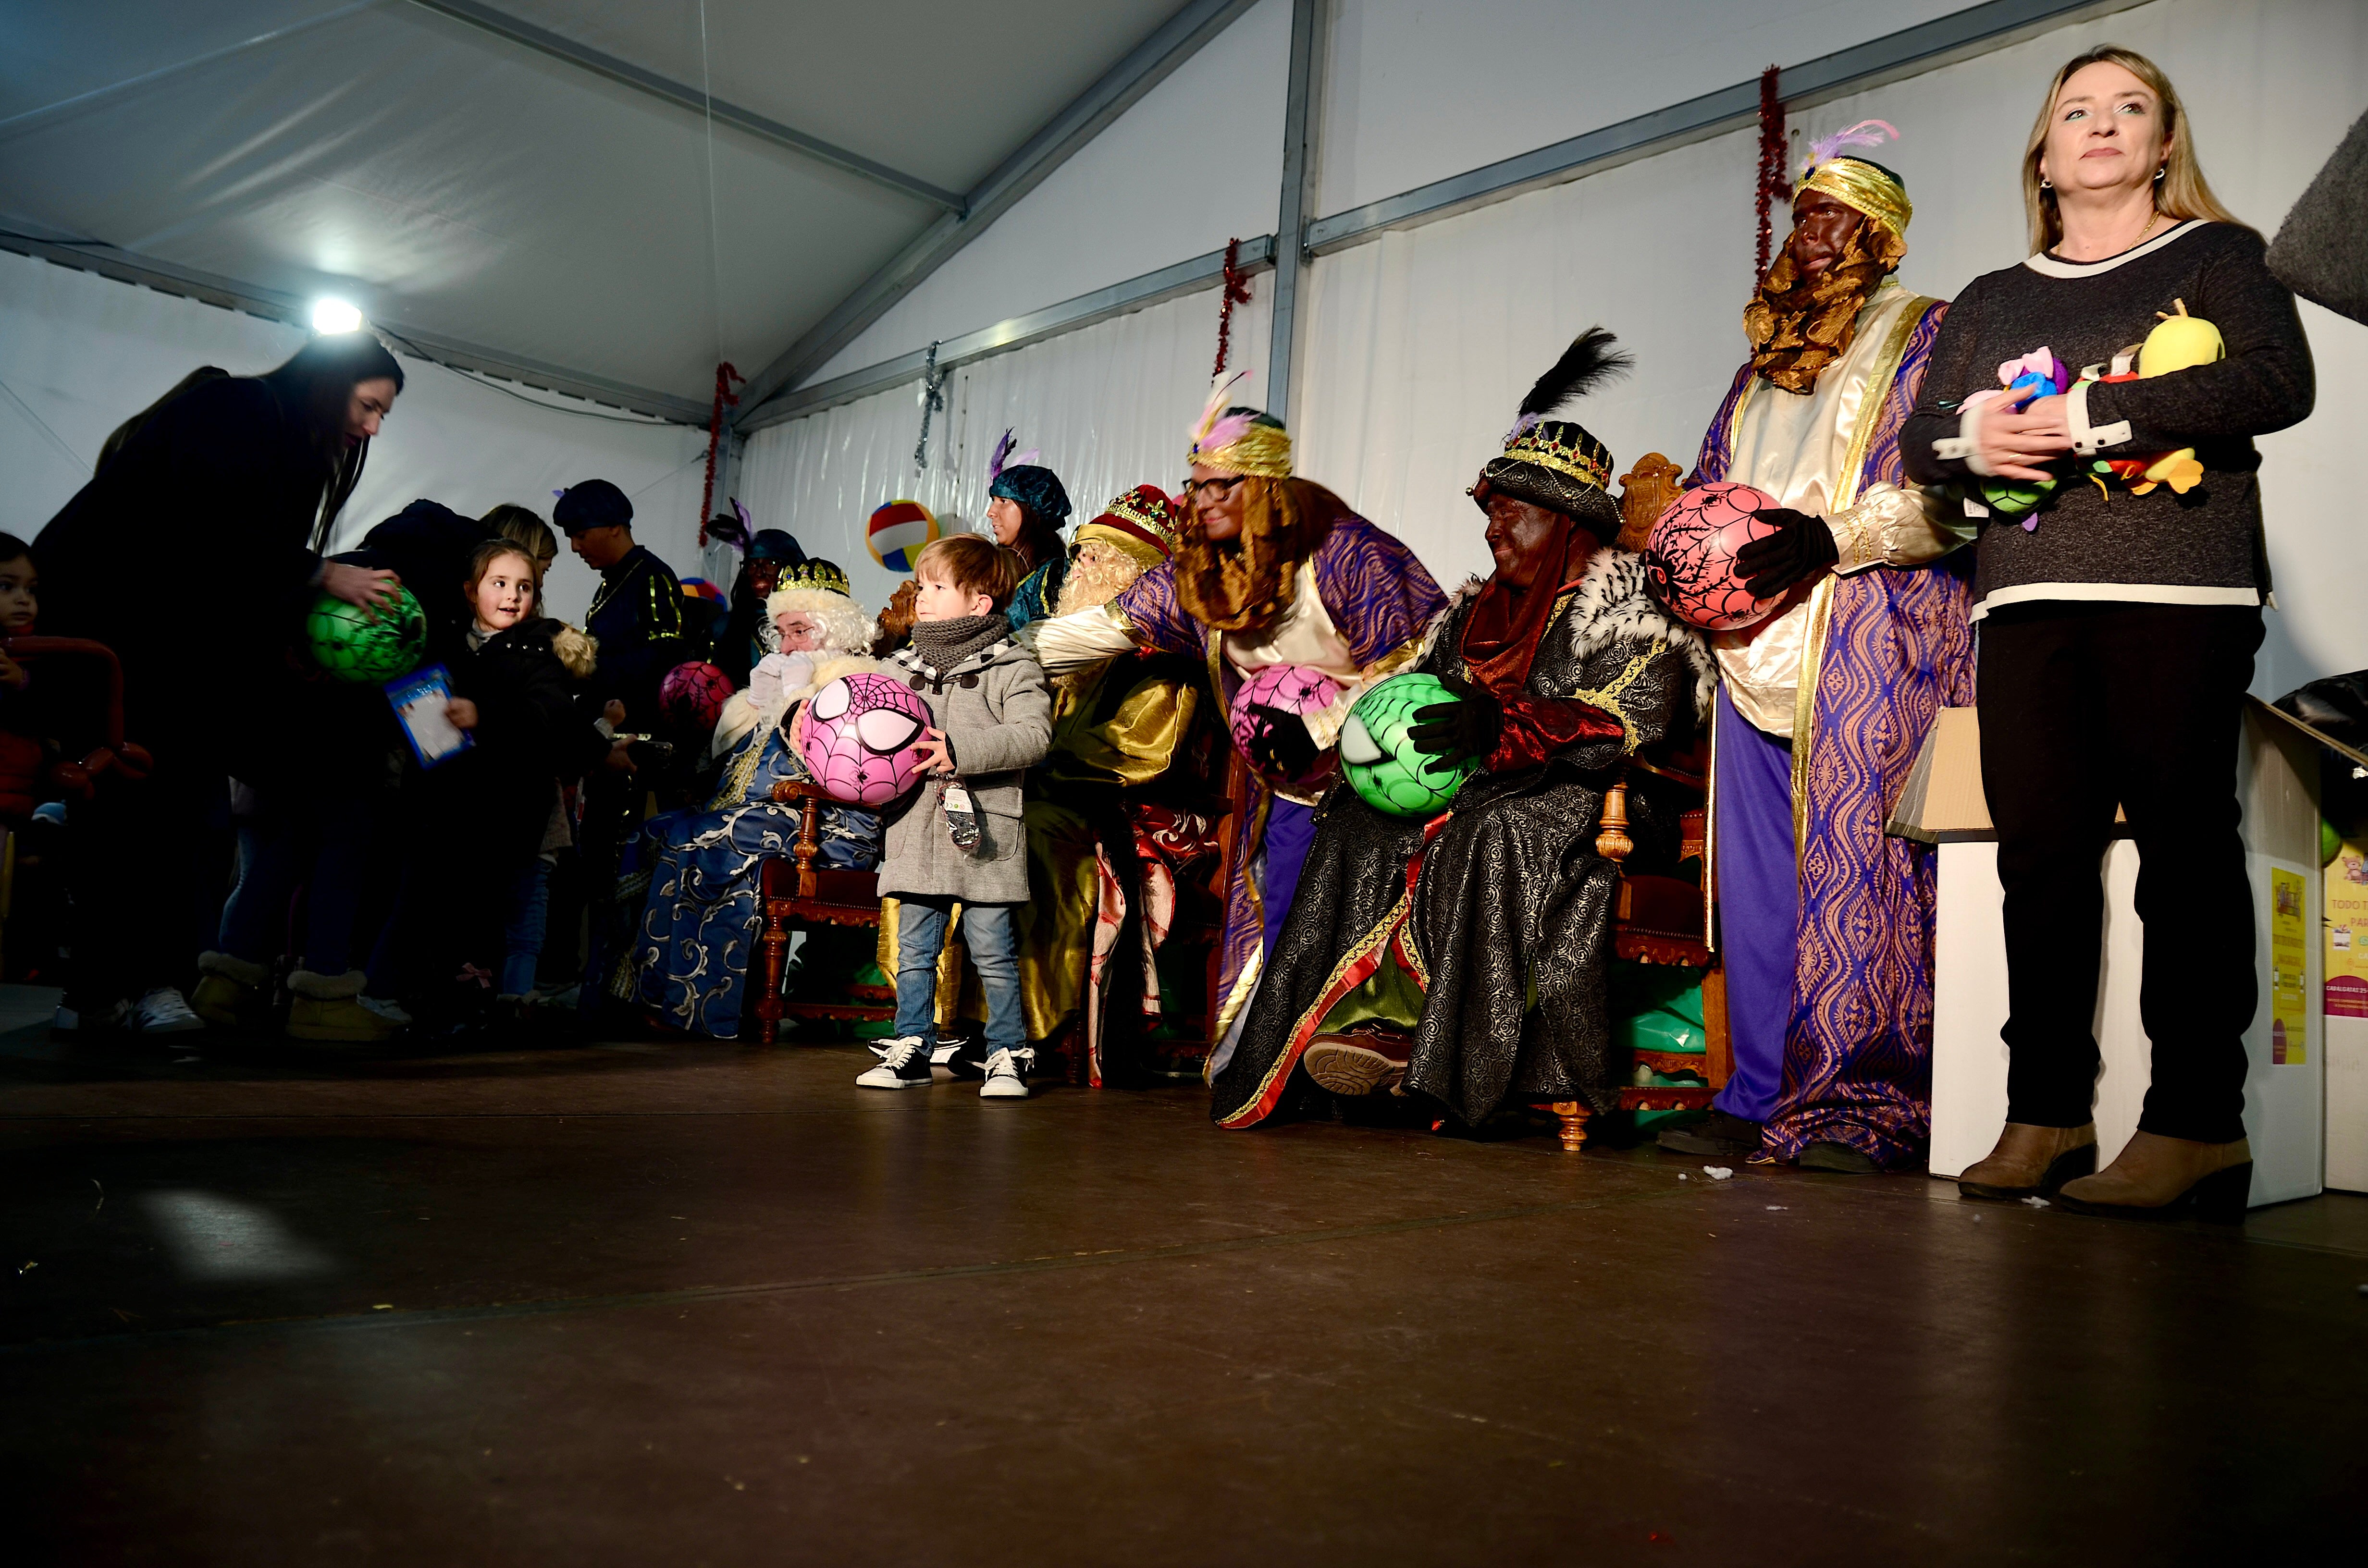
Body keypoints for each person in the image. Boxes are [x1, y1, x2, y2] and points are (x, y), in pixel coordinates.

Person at [1902, 47, 2314, 1217]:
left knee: (2184, 849)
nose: (2102, 124)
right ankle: (2046, 1114)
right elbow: (1921, 441)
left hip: (2180, 595)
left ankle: (2197, 1125)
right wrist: (1972, 443)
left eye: (2131, 107)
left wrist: (2087, 413)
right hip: (2026, 598)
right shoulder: (1989, 297)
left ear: (2165, 144)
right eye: (2076, 109)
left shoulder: (2223, 257)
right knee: (2040, 859)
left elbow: (2277, 381)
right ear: (2042, 152)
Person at [1214, 331, 1712, 1131]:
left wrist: (1511, 725)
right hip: (1473, 781)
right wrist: (1329, 748)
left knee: (1494, 827)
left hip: (1602, 799)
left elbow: (1639, 721)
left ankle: (1442, 1063)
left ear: (1564, 523)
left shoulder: (1632, 604)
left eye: (1511, 514)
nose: (1490, 529)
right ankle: (1362, 1030)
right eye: (1491, 512)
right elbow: (1405, 702)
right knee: (1355, 817)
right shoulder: (1473, 612)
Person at [1650, 124, 1971, 1173]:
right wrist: (1679, 549)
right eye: (1804, 215)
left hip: (1869, 630)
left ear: (1883, 240)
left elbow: (1959, 490)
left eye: (1841, 219)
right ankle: (1753, 1096)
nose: (1815, 235)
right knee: (1751, 884)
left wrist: (1833, 538)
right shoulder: (1756, 371)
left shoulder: (1930, 333)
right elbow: (1707, 488)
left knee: (1858, 872)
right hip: (1747, 644)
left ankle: (1859, 1105)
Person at [1029, 392, 1446, 1076]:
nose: (1205, 499)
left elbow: (1416, 655)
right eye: (1196, 485)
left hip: (1386, 766)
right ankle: (1278, 1058)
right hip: (1285, 781)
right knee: (1280, 903)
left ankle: (1379, 1049)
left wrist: (1324, 725)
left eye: (1224, 484)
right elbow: (1099, 632)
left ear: (1267, 486)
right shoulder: (1196, 569)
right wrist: (977, 655)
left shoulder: (1345, 550)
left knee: (1370, 903)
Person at [33, 331, 407, 1036]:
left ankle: (108, 992)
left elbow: (223, 571)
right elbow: (203, 532)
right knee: (159, 821)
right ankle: (136, 987)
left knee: (155, 821)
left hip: (157, 652)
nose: (372, 427)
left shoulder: (260, 429)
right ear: (329, 384)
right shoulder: (239, 406)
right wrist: (319, 575)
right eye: (367, 405)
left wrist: (286, 634)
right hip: (128, 645)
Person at [1003, 485, 1222, 1083]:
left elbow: (1141, 750)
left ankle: (1035, 1027)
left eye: (1099, 558)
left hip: (1135, 809)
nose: (1081, 568)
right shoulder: (1067, 646)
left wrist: (1037, 764)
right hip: (1058, 788)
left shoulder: (1161, 659)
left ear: (1137, 575)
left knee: (1036, 833)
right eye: (1081, 555)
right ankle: (966, 1021)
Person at [622, 561, 885, 1039]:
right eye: (781, 633)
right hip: (762, 817)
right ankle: (647, 993)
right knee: (655, 832)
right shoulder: (780, 685)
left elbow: (848, 775)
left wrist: (793, 706)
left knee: (711, 839)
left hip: (829, 827)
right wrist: (747, 713)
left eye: (800, 632)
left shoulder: (858, 687)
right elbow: (729, 772)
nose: (786, 647)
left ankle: (705, 1010)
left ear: (837, 630)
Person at [859, 535, 1052, 1098]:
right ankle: (912, 1046)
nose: (922, 596)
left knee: (992, 948)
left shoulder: (1012, 665)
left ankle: (1007, 1053)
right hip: (917, 826)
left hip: (983, 832)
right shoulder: (895, 668)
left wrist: (961, 750)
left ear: (979, 604)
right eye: (922, 585)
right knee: (916, 949)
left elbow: (1033, 735)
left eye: (938, 587)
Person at [983, 432, 1073, 629]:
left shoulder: (1055, 576)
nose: (991, 512)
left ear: (1032, 510)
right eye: (993, 502)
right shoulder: (987, 566)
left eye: (1004, 501)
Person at [712, 527, 807, 687]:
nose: (759, 573)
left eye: (771, 563)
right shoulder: (722, 627)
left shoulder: (812, 623)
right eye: (752, 565)